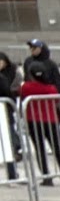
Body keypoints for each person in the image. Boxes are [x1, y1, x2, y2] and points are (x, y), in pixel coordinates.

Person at [19, 61, 60, 186]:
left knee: (40, 149)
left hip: (34, 121)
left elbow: (22, 100)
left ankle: (46, 177)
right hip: (51, 120)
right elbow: (57, 102)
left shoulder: (26, 87)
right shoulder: (51, 88)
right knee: (57, 148)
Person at [0, 51, 22, 180]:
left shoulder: (8, 74)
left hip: (5, 112)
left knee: (8, 143)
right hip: (4, 111)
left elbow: (8, 93)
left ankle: (12, 173)